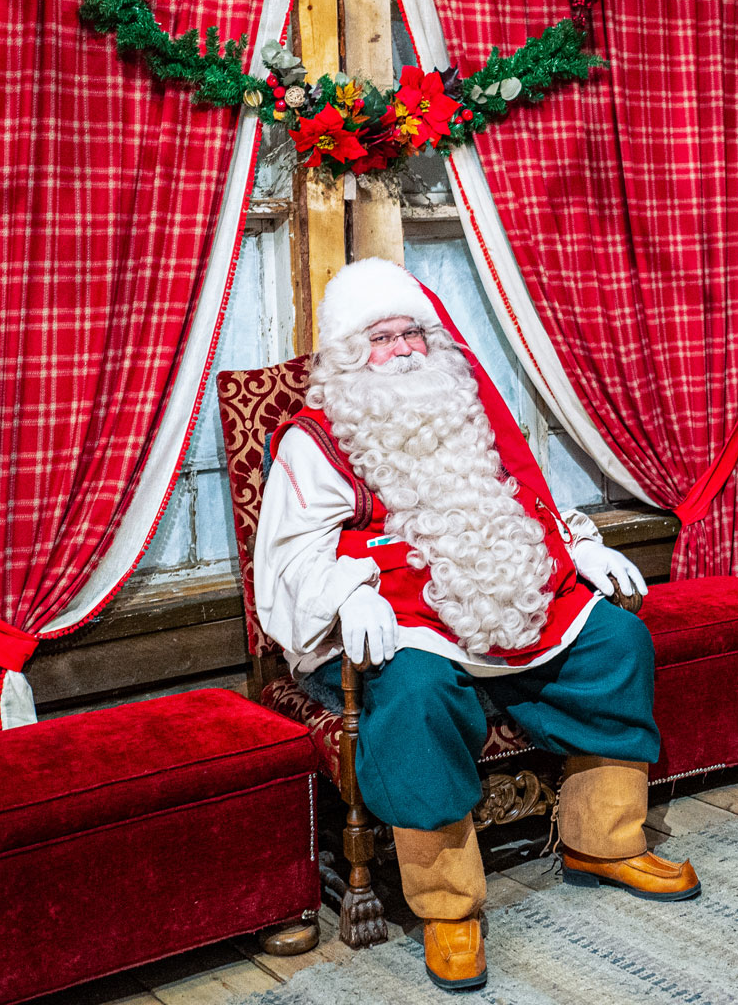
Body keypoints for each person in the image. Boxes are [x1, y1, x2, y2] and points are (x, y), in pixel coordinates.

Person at [254, 258, 698, 992]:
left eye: (413, 334)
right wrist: (346, 595)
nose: (404, 351)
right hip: (400, 622)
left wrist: (579, 548)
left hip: (496, 601)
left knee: (615, 641)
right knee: (418, 694)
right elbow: (290, 557)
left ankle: (604, 841)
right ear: (348, 355)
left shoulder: (464, 406)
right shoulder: (316, 442)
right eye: (381, 339)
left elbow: (521, 496)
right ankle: (448, 906)